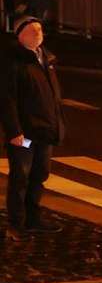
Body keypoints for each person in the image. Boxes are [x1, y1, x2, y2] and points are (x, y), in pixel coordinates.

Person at [3, 16, 64, 235]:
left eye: (39, 29)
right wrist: (14, 131)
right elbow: (8, 100)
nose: (38, 32)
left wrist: (57, 124)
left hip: (44, 130)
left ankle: (33, 217)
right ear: (20, 35)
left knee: (39, 175)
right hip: (25, 133)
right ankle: (17, 221)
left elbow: (53, 98)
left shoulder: (45, 59)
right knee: (21, 176)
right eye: (32, 29)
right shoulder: (14, 62)